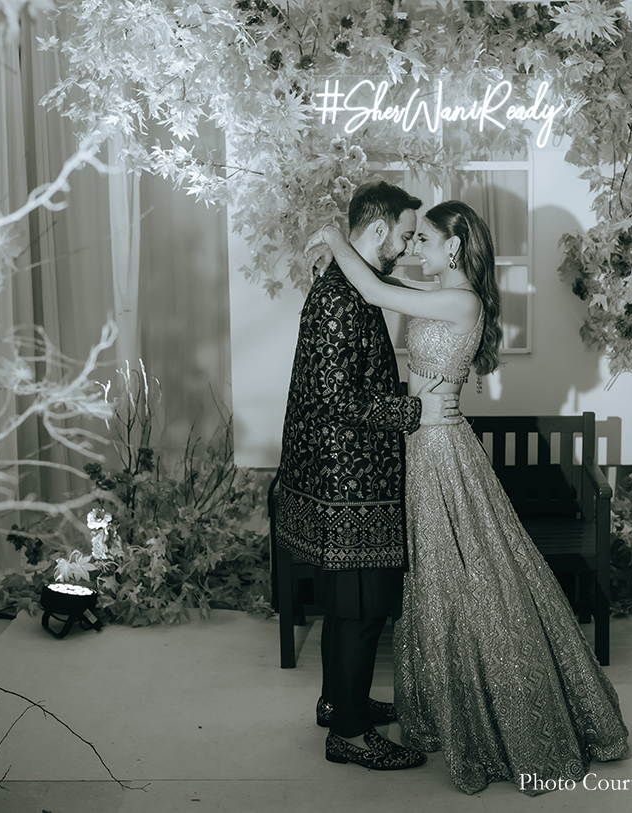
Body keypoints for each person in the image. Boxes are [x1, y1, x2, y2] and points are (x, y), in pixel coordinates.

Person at [307, 200, 630, 795]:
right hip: (421, 443)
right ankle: (435, 702)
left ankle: (495, 711)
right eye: (412, 239)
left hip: (438, 448)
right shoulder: (441, 294)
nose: (414, 248)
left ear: (453, 247)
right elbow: (382, 285)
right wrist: (344, 259)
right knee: (437, 579)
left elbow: (375, 293)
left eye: (424, 239)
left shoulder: (463, 303)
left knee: (471, 580)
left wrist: (332, 235)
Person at [273, 180, 462, 772]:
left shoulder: (349, 288)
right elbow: (336, 399)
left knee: (347, 607)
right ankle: (350, 736)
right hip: (347, 487)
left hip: (348, 479)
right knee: (362, 609)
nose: (407, 247)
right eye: (404, 235)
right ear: (378, 229)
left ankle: (339, 703)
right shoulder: (339, 298)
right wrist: (415, 411)